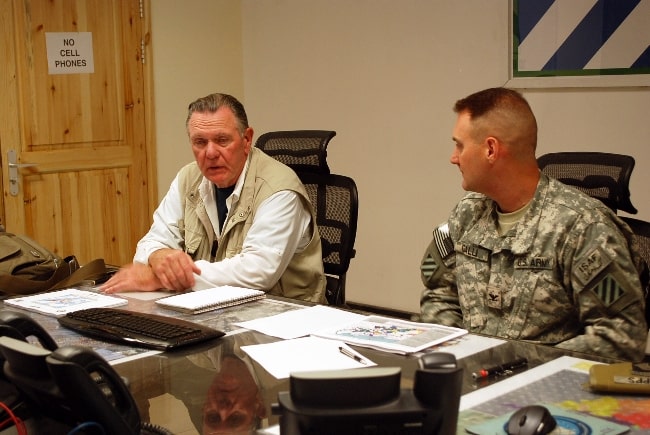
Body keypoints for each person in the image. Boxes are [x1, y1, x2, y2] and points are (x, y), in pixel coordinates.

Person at [419, 87, 648, 361]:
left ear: (491, 149)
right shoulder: (467, 215)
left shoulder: (582, 226)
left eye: (460, 145)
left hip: (551, 391)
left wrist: (524, 365)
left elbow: (621, 335)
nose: (454, 157)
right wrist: (462, 356)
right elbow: (439, 295)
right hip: (473, 380)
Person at [102, 92, 326, 303]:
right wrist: (158, 255)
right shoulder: (188, 178)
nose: (210, 153)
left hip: (284, 320)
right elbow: (151, 242)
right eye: (200, 142)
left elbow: (258, 271)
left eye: (222, 140)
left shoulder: (279, 188)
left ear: (247, 140)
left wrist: (160, 278)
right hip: (218, 309)